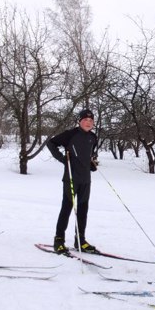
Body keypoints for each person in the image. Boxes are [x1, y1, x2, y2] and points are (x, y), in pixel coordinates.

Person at [47, 108, 99, 254]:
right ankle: (59, 241)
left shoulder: (93, 137)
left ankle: (80, 240)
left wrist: (91, 164)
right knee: (67, 208)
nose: (88, 123)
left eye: (91, 121)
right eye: (85, 120)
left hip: (86, 180)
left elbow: (89, 155)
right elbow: (51, 143)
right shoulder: (71, 134)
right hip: (71, 178)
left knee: (83, 210)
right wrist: (63, 159)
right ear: (79, 121)